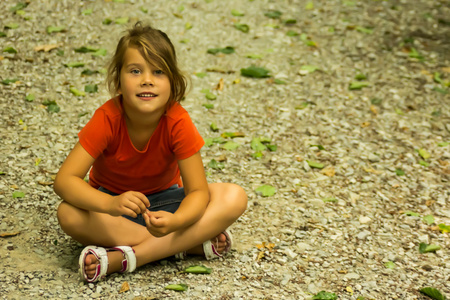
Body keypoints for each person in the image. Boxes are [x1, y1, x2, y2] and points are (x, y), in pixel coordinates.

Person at [53, 22, 247, 283]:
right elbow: (64, 181)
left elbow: (198, 192)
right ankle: (186, 245)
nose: (147, 79)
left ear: (173, 83)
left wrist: (177, 221)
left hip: (165, 206)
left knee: (234, 196)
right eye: (135, 71)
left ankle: (127, 258)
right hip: (114, 211)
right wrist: (110, 204)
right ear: (118, 81)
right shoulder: (107, 118)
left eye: (158, 71)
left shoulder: (178, 121)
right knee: (68, 213)